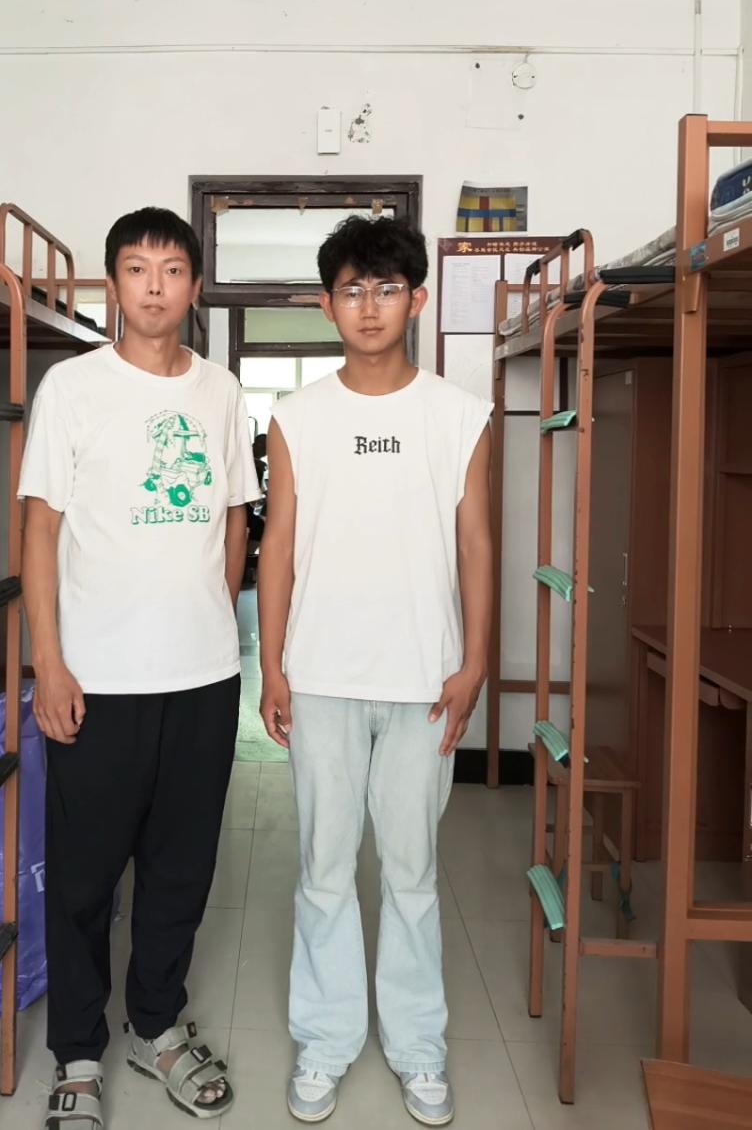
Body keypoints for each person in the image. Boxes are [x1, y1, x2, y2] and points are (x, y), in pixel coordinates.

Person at [20, 207, 259, 1129]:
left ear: (194, 286)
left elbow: (235, 518)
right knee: (84, 877)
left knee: (180, 870)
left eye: (172, 269)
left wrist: (211, 618)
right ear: (114, 282)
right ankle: (78, 1051)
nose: (154, 285)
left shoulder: (222, 391)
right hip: (98, 679)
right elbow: (41, 528)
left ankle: (154, 1023)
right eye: (136, 267)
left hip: (203, 680)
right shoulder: (73, 388)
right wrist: (49, 660)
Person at [258, 215, 493, 1127]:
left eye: (386, 288)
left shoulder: (458, 414)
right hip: (320, 674)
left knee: (412, 872)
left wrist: (475, 659)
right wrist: (272, 664)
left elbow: (475, 543)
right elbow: (277, 546)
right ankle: (324, 1040)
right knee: (322, 869)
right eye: (351, 290)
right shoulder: (297, 415)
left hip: (424, 678)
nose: (369, 306)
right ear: (327, 304)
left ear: (416, 299)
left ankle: (418, 1047)